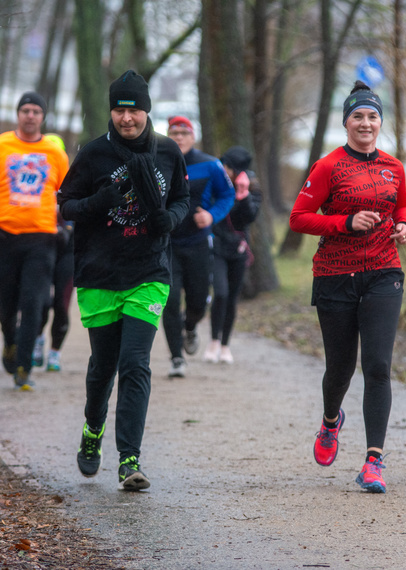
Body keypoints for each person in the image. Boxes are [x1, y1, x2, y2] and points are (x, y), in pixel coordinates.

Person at [58, 70, 189, 491]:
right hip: (99, 274)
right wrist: (100, 201)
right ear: (110, 111)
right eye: (119, 109)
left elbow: (182, 197)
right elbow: (67, 207)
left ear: (147, 111)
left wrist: (170, 217)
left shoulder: (168, 152)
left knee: (136, 363)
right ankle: (92, 429)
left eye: (133, 110)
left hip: (148, 273)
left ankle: (129, 458)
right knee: (103, 368)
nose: (126, 118)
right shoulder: (94, 154)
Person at [288, 80, 406, 494]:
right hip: (334, 276)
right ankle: (330, 422)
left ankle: (374, 461)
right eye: (357, 116)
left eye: (372, 116)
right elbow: (299, 217)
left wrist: (404, 225)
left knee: (377, 367)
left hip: (383, 272)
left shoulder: (394, 166)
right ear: (346, 123)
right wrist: (344, 222)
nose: (365, 123)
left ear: (380, 123)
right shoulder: (328, 166)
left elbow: (402, 205)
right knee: (340, 368)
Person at [0, 91, 69, 390]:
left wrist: (66, 227)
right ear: (18, 114)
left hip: (41, 239)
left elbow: (68, 194)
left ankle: (24, 367)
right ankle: (10, 342)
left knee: (35, 303)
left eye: (36, 111)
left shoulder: (55, 153)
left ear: (43, 117)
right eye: (25, 110)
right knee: (7, 304)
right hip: (4, 238)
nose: (30, 115)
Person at [164, 115, 235, 377]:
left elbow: (227, 195)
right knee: (169, 300)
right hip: (167, 244)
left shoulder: (210, 165)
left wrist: (211, 216)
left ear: (193, 137)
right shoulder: (159, 161)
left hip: (198, 243)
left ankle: (190, 326)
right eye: (174, 132)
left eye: (184, 133)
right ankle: (176, 358)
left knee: (198, 301)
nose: (179, 137)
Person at [202, 146, 261, 365]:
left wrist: (242, 195)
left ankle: (225, 345)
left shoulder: (252, 187)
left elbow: (250, 217)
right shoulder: (215, 183)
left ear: (237, 170)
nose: (223, 169)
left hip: (238, 250)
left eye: (227, 167)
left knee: (232, 298)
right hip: (216, 247)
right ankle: (213, 341)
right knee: (221, 293)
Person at [30, 133, 74, 372]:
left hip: (68, 254)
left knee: (61, 304)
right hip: (43, 250)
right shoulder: (34, 184)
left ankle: (55, 352)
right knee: (40, 301)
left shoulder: (74, 182)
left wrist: (68, 228)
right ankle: (37, 342)